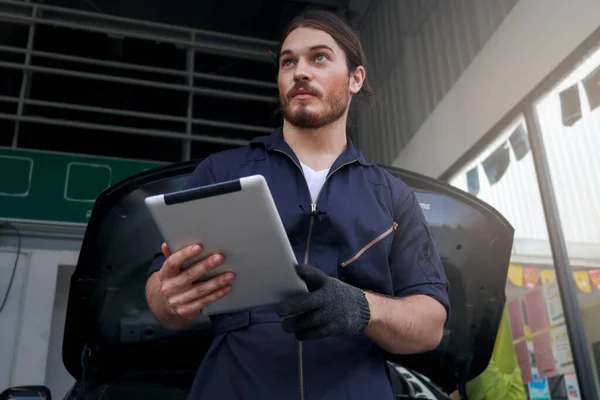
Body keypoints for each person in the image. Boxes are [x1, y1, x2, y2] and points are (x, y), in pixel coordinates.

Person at [145, 8, 450, 400]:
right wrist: (167, 297)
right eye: (288, 62)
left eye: (319, 58)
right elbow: (159, 291)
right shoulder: (220, 172)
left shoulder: (393, 196)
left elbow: (430, 325)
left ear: (356, 79)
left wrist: (362, 308)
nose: (300, 72)